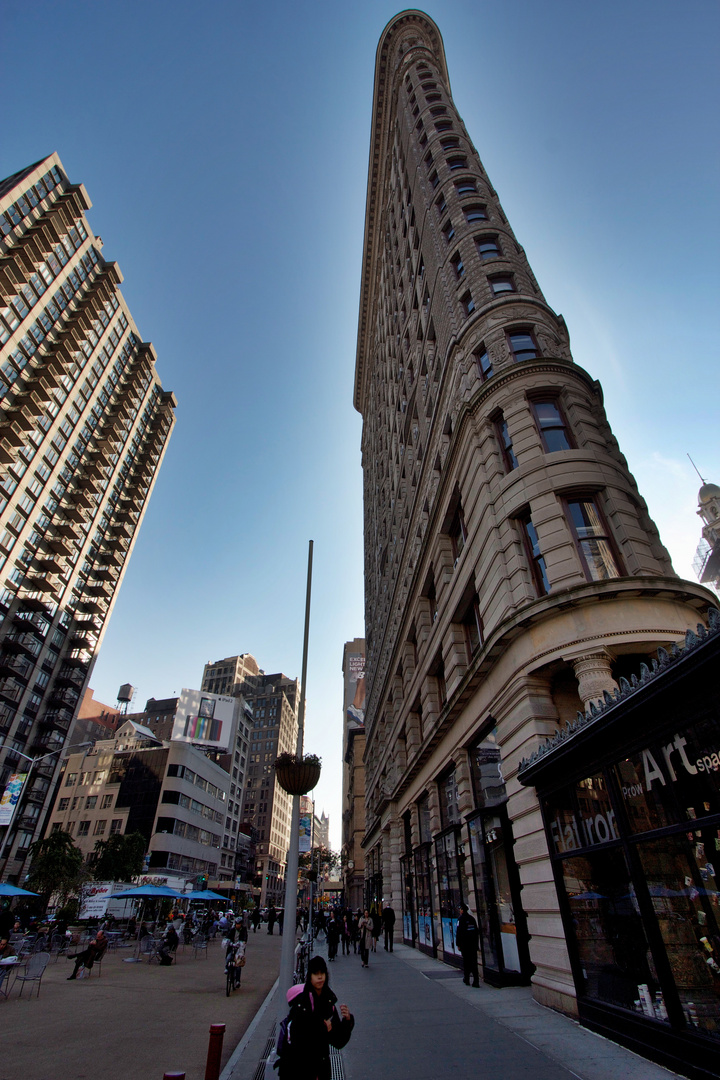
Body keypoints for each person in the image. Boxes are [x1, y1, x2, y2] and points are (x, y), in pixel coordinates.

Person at [277, 955, 354, 1080]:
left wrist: (347, 1021)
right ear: (310, 976)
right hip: (298, 1070)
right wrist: (322, 1029)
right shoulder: (301, 1003)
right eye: (316, 973)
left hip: (321, 1070)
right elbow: (298, 1040)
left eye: (322, 973)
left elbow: (338, 1041)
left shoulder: (329, 1003)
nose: (320, 977)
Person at [455, 903, 480, 987]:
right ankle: (476, 980)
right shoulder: (472, 918)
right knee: (473, 962)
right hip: (472, 944)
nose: (460, 911)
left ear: (462, 910)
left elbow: (459, 932)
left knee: (466, 962)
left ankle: (467, 978)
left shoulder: (460, 919)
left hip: (465, 944)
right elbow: (476, 932)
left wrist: (458, 944)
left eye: (460, 909)